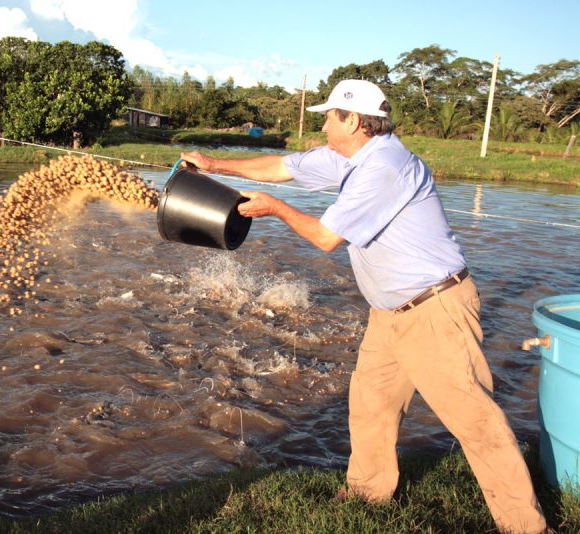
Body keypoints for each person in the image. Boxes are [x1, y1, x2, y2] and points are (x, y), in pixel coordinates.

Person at [180, 79, 547, 534]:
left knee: (474, 420)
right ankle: (369, 494)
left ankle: (526, 526)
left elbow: (326, 238)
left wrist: (276, 210)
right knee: (371, 403)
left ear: (353, 120)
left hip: (434, 309)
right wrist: (213, 164)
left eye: (329, 115)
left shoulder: (385, 168)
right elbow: (281, 165)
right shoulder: (352, 156)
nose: (323, 122)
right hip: (390, 312)